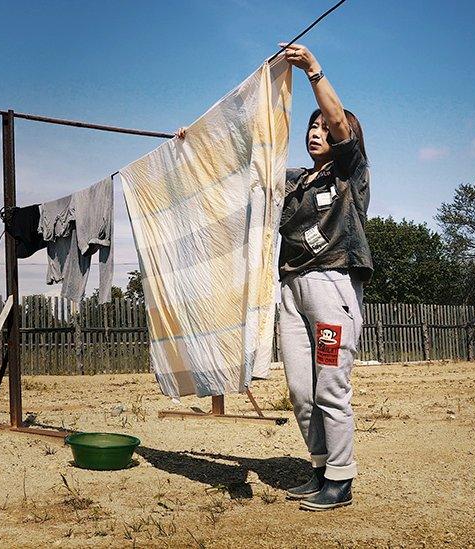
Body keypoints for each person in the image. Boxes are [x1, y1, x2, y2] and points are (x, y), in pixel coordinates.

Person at [177, 43, 371, 511]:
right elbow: (245, 166)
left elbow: (342, 124)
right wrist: (195, 142)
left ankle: (341, 480)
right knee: (302, 392)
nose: (317, 132)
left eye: (324, 127)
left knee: (330, 386)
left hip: (331, 285)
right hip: (290, 289)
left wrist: (313, 72)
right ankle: (321, 467)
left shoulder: (350, 173)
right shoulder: (293, 181)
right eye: (311, 126)